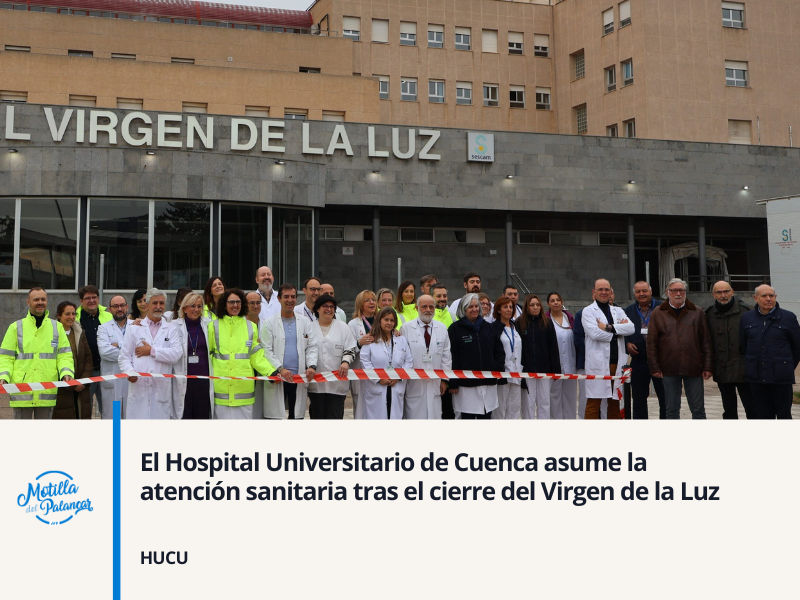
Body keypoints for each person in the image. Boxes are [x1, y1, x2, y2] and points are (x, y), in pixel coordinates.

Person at [0, 288, 74, 419]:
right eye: (36, 299)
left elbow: (64, 355)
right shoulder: (15, 327)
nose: (40, 302)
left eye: (43, 299)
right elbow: (6, 356)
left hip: (46, 389)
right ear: (28, 302)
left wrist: (66, 372)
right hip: (22, 390)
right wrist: (3, 376)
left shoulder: (57, 327)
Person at [647, 278, 713, 419]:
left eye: (681, 290)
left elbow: (706, 342)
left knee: (698, 410)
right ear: (667, 292)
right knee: (671, 410)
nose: (678, 293)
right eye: (674, 290)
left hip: (693, 368)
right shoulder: (658, 313)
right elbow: (652, 344)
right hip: (668, 368)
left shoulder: (697, 312)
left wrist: (707, 366)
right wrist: (655, 367)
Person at [208, 288, 275, 419]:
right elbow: (207, 355)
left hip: (243, 390)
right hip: (221, 389)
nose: (235, 305)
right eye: (231, 302)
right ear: (224, 304)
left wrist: (271, 372)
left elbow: (256, 356)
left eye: (238, 302)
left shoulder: (251, 326)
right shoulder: (213, 326)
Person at [119, 288, 184, 420]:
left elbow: (176, 354)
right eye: (155, 303)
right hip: (138, 389)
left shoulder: (171, 329)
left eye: (161, 303)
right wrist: (130, 372)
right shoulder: (134, 328)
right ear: (147, 305)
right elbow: (124, 356)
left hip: (161, 390)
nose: (158, 307)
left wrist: (152, 351)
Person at [740, 284, 800, 419]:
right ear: (755, 298)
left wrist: (786, 366)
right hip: (757, 378)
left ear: (775, 297)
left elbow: (797, 348)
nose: (768, 299)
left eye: (771, 296)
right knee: (763, 416)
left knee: (784, 415)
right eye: (764, 296)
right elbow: (744, 345)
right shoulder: (746, 318)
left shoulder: (788, 317)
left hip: (781, 378)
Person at [261, 283, 318, 420]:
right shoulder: (269, 323)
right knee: (277, 417)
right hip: (279, 377)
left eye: (293, 297)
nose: (290, 300)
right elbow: (266, 350)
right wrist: (280, 369)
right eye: (286, 297)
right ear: (279, 299)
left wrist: (311, 366)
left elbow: (312, 346)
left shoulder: (304, 322)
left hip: (298, 377)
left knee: (296, 416)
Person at [582, 279, 635, 420]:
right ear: (594, 292)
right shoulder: (588, 311)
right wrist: (618, 332)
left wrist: (608, 327)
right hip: (598, 364)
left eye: (607, 289)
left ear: (611, 291)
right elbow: (594, 333)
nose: (604, 292)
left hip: (616, 363)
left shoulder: (618, 310)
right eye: (600, 289)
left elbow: (631, 328)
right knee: (594, 402)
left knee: (615, 402)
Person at [448, 294, 504, 419]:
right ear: (463, 309)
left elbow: (498, 351)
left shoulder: (488, 328)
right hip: (466, 386)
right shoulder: (455, 329)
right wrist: (454, 381)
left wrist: (496, 369)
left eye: (476, 306)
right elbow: (452, 356)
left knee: (486, 416)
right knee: (467, 417)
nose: (474, 309)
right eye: (470, 307)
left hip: (488, 383)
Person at [705, 281, 756, 419]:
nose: (723, 295)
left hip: (744, 369)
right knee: (728, 410)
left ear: (732, 291)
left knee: (752, 408)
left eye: (726, 291)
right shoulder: (709, 314)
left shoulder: (747, 312)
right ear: (713, 295)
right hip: (722, 368)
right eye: (719, 292)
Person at [400, 295, 451, 419]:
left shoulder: (442, 328)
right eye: (424, 307)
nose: (428, 309)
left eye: (431, 306)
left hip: (435, 384)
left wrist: (444, 380)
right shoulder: (406, 328)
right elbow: (401, 356)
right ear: (417, 308)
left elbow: (446, 356)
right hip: (414, 385)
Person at [307, 294, 356, 419]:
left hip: (337, 384)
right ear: (318, 309)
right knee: (317, 416)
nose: (329, 309)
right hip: (316, 384)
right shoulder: (309, 328)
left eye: (332, 307)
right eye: (325, 306)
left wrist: (345, 362)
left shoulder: (343, 327)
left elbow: (350, 347)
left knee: (335, 415)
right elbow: (306, 350)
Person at [360, 307, 414, 419]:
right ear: (379, 320)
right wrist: (379, 379)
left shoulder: (401, 340)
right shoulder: (370, 339)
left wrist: (398, 377)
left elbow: (409, 360)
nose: (389, 323)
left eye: (392, 320)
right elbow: (365, 361)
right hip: (377, 386)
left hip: (396, 384)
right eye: (386, 319)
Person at [623, 281, 666, 419]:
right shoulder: (627, 311)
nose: (641, 294)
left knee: (665, 398)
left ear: (651, 291)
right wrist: (627, 344)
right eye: (638, 292)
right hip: (639, 360)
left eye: (644, 291)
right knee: (639, 399)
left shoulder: (663, 307)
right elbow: (622, 333)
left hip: (661, 361)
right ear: (634, 293)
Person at [171, 292, 214, 419]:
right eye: (192, 306)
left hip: (204, 380)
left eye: (199, 306)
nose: (196, 309)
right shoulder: (173, 325)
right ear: (184, 308)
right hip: (184, 379)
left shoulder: (209, 324)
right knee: (185, 415)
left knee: (202, 415)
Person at [518, 294, 561, 419]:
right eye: (532, 305)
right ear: (527, 307)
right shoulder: (520, 323)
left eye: (538, 305)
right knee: (528, 403)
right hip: (527, 371)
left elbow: (553, 346)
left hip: (544, 370)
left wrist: (556, 370)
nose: (535, 307)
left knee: (544, 403)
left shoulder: (546, 322)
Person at [76, 285, 112, 418]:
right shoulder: (74, 317)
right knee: (85, 410)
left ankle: (115, 437)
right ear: (81, 301)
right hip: (86, 372)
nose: (91, 300)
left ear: (98, 298)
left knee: (111, 408)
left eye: (94, 297)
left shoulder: (109, 315)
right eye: (87, 298)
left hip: (107, 370)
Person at [53, 301, 92, 419]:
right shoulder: (52, 334)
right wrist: (71, 384)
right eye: (67, 314)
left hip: (81, 387)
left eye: (73, 314)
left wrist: (82, 381)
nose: (71, 317)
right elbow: (51, 361)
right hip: (61, 389)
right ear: (59, 316)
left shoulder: (80, 332)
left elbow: (88, 358)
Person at [97, 295, 132, 420]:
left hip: (132, 383)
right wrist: (130, 352)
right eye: (115, 306)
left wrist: (119, 345)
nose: (119, 309)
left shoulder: (137, 326)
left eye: (122, 305)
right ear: (110, 309)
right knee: (115, 420)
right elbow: (105, 352)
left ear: (127, 307)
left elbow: (141, 349)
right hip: (113, 385)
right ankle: (115, 440)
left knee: (131, 417)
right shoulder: (103, 328)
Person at [547, 291, 577, 419]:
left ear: (562, 302)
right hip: (554, 366)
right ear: (548, 304)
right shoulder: (546, 320)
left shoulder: (570, 319)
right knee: (555, 397)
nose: (555, 303)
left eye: (558, 300)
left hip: (570, 364)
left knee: (570, 397)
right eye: (552, 300)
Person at [491, 296, 522, 420]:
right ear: (498, 310)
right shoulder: (494, 328)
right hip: (503, 374)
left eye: (511, 307)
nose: (508, 310)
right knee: (500, 409)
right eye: (505, 307)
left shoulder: (516, 326)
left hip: (517, 373)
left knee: (514, 408)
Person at [349, 289, 377, 418]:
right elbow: (348, 349)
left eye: (373, 300)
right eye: (367, 300)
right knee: (360, 408)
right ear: (360, 304)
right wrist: (359, 343)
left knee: (377, 405)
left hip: (378, 370)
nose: (372, 302)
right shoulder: (353, 324)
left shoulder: (382, 321)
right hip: (360, 370)